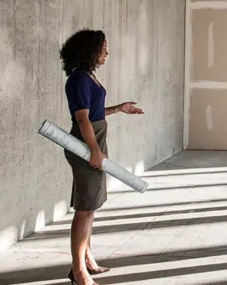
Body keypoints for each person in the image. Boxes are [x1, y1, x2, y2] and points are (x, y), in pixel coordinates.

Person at [59, 29, 144, 285]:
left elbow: (94, 112)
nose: (106, 52)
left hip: (94, 140)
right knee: (84, 209)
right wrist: (94, 151)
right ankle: (78, 272)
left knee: (91, 207)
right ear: (90, 50)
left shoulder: (88, 77)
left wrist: (119, 108)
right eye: (103, 47)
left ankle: (87, 260)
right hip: (87, 144)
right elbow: (82, 118)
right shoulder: (78, 79)